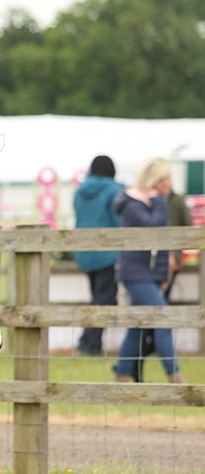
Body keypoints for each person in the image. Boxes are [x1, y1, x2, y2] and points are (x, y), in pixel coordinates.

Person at [113, 157, 183, 384]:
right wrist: (161, 203)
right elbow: (154, 227)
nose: (170, 184)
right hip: (136, 274)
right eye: (167, 179)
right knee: (162, 318)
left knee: (137, 325)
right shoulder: (134, 203)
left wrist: (162, 275)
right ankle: (174, 374)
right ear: (157, 181)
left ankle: (122, 376)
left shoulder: (148, 201)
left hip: (148, 274)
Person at [72, 156, 125, 356]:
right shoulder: (114, 191)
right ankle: (89, 344)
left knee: (98, 297)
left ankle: (91, 343)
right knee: (105, 300)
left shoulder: (80, 191)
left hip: (85, 252)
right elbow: (119, 220)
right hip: (108, 253)